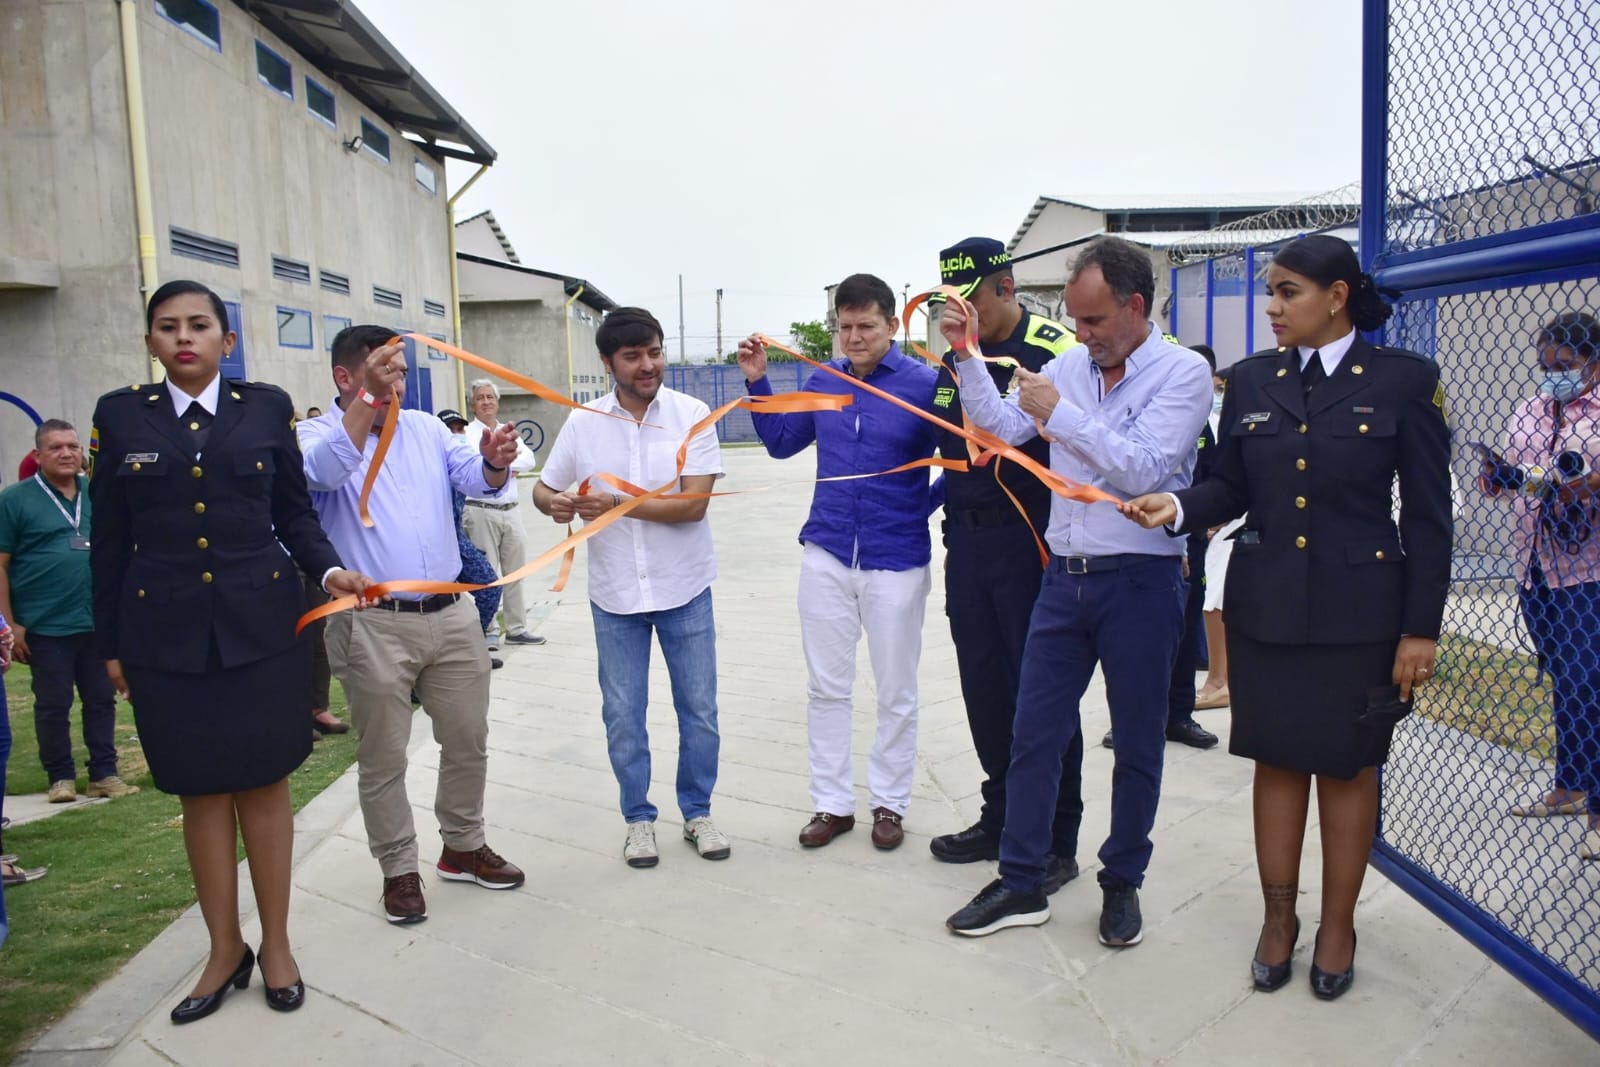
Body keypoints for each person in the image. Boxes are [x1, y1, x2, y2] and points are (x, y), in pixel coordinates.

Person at [1121, 234, 1452, 999]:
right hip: (1267, 609)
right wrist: (1176, 506)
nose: (1271, 307)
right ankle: (1280, 920)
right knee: (1275, 762)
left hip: (1361, 617)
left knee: (1346, 769)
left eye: (1287, 291)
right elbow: (1225, 484)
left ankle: (1338, 925)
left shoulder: (1405, 381)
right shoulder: (1255, 382)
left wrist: (1420, 627)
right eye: (1271, 291)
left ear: (1337, 297)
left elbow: (1430, 520)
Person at [89, 280, 375, 1022]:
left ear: (227, 338)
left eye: (199, 325)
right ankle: (224, 948)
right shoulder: (120, 416)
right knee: (200, 790)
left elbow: (292, 509)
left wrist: (332, 568)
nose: (184, 337)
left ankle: (276, 943)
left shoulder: (266, 407)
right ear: (151, 341)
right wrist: (112, 644)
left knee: (263, 785)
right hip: (165, 636)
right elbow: (111, 543)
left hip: (262, 628)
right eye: (167, 327)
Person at [942, 236, 1211, 947]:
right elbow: (999, 429)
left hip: (1142, 582)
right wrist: (968, 357)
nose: (1082, 335)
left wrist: (1059, 413)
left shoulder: (1180, 375)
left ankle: (1122, 881)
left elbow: (1144, 469)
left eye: (1093, 321)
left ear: (1133, 306)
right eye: (1075, 320)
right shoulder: (1070, 365)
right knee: (1036, 732)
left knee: (1138, 743)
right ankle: (1023, 877)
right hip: (1063, 578)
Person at [300, 325, 527, 926]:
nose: (396, 384)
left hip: (451, 615)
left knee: (468, 739)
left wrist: (494, 463)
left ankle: (462, 845)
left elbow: (473, 477)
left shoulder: (426, 428)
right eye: (382, 372)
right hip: (372, 622)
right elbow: (324, 472)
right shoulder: (315, 434)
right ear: (346, 378)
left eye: (400, 373)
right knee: (384, 757)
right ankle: (399, 870)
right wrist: (369, 403)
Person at [736, 274, 940, 851]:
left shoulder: (925, 387)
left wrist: (916, 507)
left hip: (896, 558)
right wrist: (758, 380)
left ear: (892, 325)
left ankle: (889, 804)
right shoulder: (824, 379)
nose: (853, 337)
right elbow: (780, 441)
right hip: (826, 551)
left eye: (865, 326)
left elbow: (960, 458)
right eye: (844, 326)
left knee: (896, 688)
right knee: (826, 687)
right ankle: (831, 803)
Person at [535, 307, 730, 868]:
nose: (648, 365)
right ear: (607, 363)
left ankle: (697, 812)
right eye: (633, 356)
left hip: (684, 589)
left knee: (699, 710)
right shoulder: (584, 423)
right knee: (623, 714)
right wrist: (560, 504)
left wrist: (619, 504)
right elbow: (544, 491)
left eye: (654, 352)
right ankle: (638, 820)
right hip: (615, 595)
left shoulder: (692, 415)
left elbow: (693, 507)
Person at [923, 237, 1082, 890]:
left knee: (1039, 692)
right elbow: (947, 442)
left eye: (970, 300)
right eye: (947, 304)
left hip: (1029, 545)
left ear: (1006, 288)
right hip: (967, 544)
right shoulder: (954, 354)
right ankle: (1002, 814)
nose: (958, 315)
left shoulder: (1053, 352)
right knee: (984, 685)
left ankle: (1056, 837)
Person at [1482, 311, 1600, 859]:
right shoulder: (1530, 410)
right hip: (1534, 566)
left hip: (1589, 571)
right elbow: (1512, 480)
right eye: (1545, 365)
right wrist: (1499, 477)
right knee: (1564, 682)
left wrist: (1584, 483)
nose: (1554, 375)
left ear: (1592, 362)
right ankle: (1571, 786)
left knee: (1588, 682)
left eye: (1566, 366)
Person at [0, 420, 139, 803]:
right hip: (44, 624)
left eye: (73, 447)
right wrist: (11, 623)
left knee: (100, 699)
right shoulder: (15, 500)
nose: (66, 454)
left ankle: (104, 773)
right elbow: (1, 563)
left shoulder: (97, 495)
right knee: (53, 704)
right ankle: (60, 777)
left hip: (95, 619)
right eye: (56, 448)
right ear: (38, 455)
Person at [462, 379, 543, 649]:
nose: (486, 402)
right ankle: (489, 629)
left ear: (497, 402)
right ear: (472, 404)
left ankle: (517, 627)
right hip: (481, 510)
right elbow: (476, 461)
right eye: (480, 398)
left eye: (490, 397)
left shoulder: (508, 431)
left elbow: (529, 458)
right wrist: (502, 464)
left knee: (515, 570)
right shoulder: (468, 434)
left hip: (511, 510)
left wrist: (501, 465)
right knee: (488, 573)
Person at [438, 409, 505, 671]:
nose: (457, 434)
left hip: (457, 540)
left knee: (490, 586)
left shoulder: (463, 464)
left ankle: (472, 649)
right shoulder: (428, 466)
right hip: (433, 545)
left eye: (460, 429)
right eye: (450, 429)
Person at [1197, 364, 1240, 709]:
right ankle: (1218, 678)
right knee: (1214, 595)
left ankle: (1221, 680)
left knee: (1219, 594)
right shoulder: (1211, 423)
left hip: (1239, 521)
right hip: (1224, 521)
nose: (1219, 396)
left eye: (1223, 388)